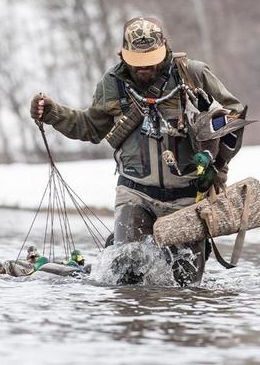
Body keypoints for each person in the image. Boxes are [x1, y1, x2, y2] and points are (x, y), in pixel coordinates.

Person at [30, 17, 244, 285]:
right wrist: (53, 113)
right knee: (126, 273)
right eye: (137, 62)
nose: (144, 67)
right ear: (122, 53)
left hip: (188, 197)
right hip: (135, 193)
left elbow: (234, 117)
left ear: (165, 48)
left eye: (151, 59)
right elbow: (89, 128)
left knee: (186, 284)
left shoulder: (194, 74)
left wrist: (214, 159)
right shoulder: (111, 83)